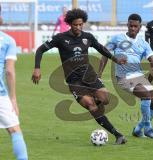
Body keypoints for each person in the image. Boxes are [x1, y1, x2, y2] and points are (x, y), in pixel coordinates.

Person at [31, 8, 127, 144]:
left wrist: (115, 59)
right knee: (91, 105)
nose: (78, 27)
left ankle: (96, 105)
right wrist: (37, 68)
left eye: (80, 24)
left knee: (105, 99)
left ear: (83, 23)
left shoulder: (88, 37)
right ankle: (118, 135)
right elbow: (40, 50)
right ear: (70, 23)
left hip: (90, 76)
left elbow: (101, 48)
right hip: (74, 81)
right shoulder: (60, 38)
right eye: (75, 24)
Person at [99, 14, 153, 138]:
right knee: (146, 95)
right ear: (127, 25)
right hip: (123, 77)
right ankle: (148, 128)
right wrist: (98, 74)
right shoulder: (117, 38)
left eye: (135, 26)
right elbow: (105, 53)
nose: (132, 28)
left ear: (139, 27)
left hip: (138, 77)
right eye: (130, 25)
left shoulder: (143, 44)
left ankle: (138, 129)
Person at [0, 5, 28, 160]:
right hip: (0, 96)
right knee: (15, 131)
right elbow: (9, 71)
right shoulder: (7, 40)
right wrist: (13, 99)